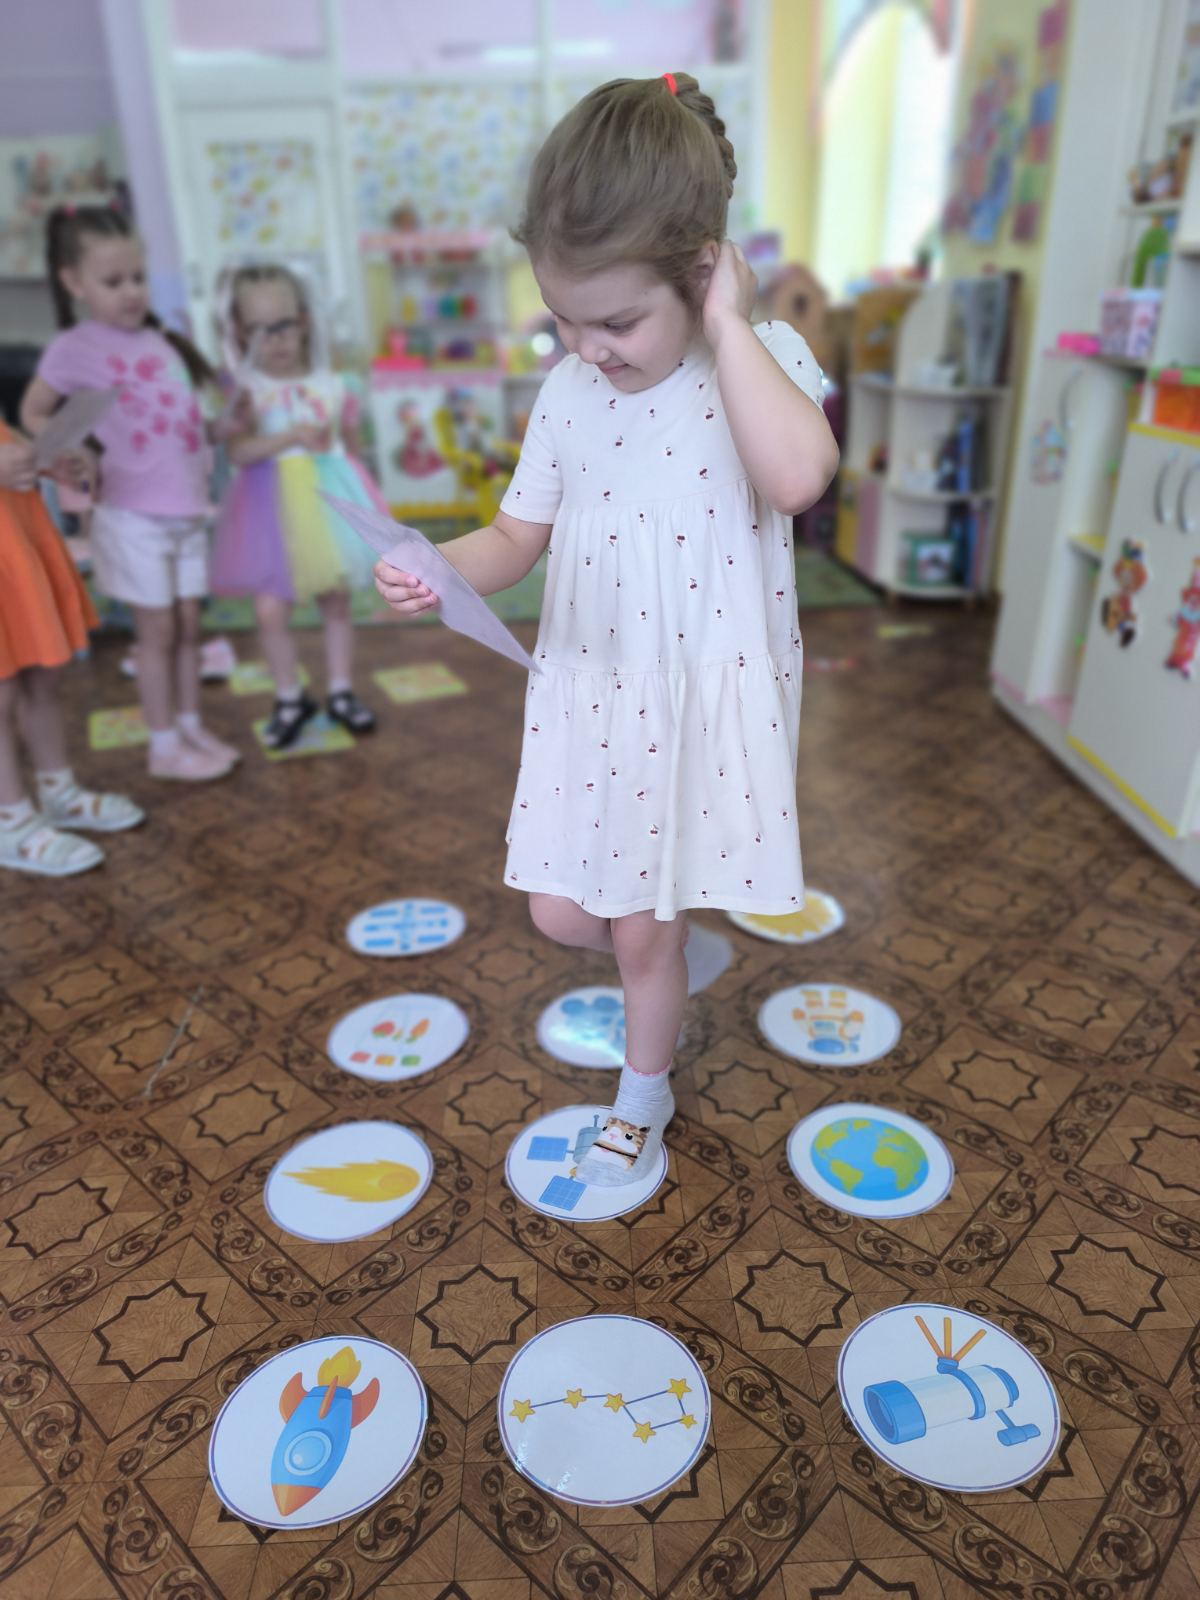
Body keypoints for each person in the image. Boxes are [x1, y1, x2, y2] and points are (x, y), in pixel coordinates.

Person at [375, 72, 838, 1185]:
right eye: (563, 320)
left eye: (617, 321)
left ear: (703, 269)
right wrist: (440, 566)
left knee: (637, 930)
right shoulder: (571, 394)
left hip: (695, 700)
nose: (587, 346)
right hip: (591, 696)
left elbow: (798, 478)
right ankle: (670, 950)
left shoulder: (755, 359)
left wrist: (727, 324)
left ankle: (642, 1094)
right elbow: (512, 537)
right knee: (559, 914)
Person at [20, 205, 239, 782]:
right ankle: (162, 746)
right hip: (134, 516)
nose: (132, 291)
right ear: (75, 282)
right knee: (157, 633)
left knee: (188, 628)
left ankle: (189, 726)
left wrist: (223, 429)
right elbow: (33, 411)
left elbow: (182, 429)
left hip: (187, 510)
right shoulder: (75, 348)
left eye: (138, 277)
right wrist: (71, 448)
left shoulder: (161, 342)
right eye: (113, 281)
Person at [209, 262, 381, 749]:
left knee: (336, 601)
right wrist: (287, 437)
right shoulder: (245, 389)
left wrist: (359, 500)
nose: (275, 339)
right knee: (269, 611)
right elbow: (239, 453)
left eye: (283, 324)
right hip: (268, 510)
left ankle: (342, 690)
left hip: (327, 504)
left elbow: (350, 451)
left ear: (303, 318)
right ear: (240, 330)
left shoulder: (335, 383)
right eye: (259, 329)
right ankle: (289, 696)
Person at [0, 422, 143, 875]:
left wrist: (39, 460)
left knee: (43, 672)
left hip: (15, 531)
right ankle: (10, 821)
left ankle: (58, 792)